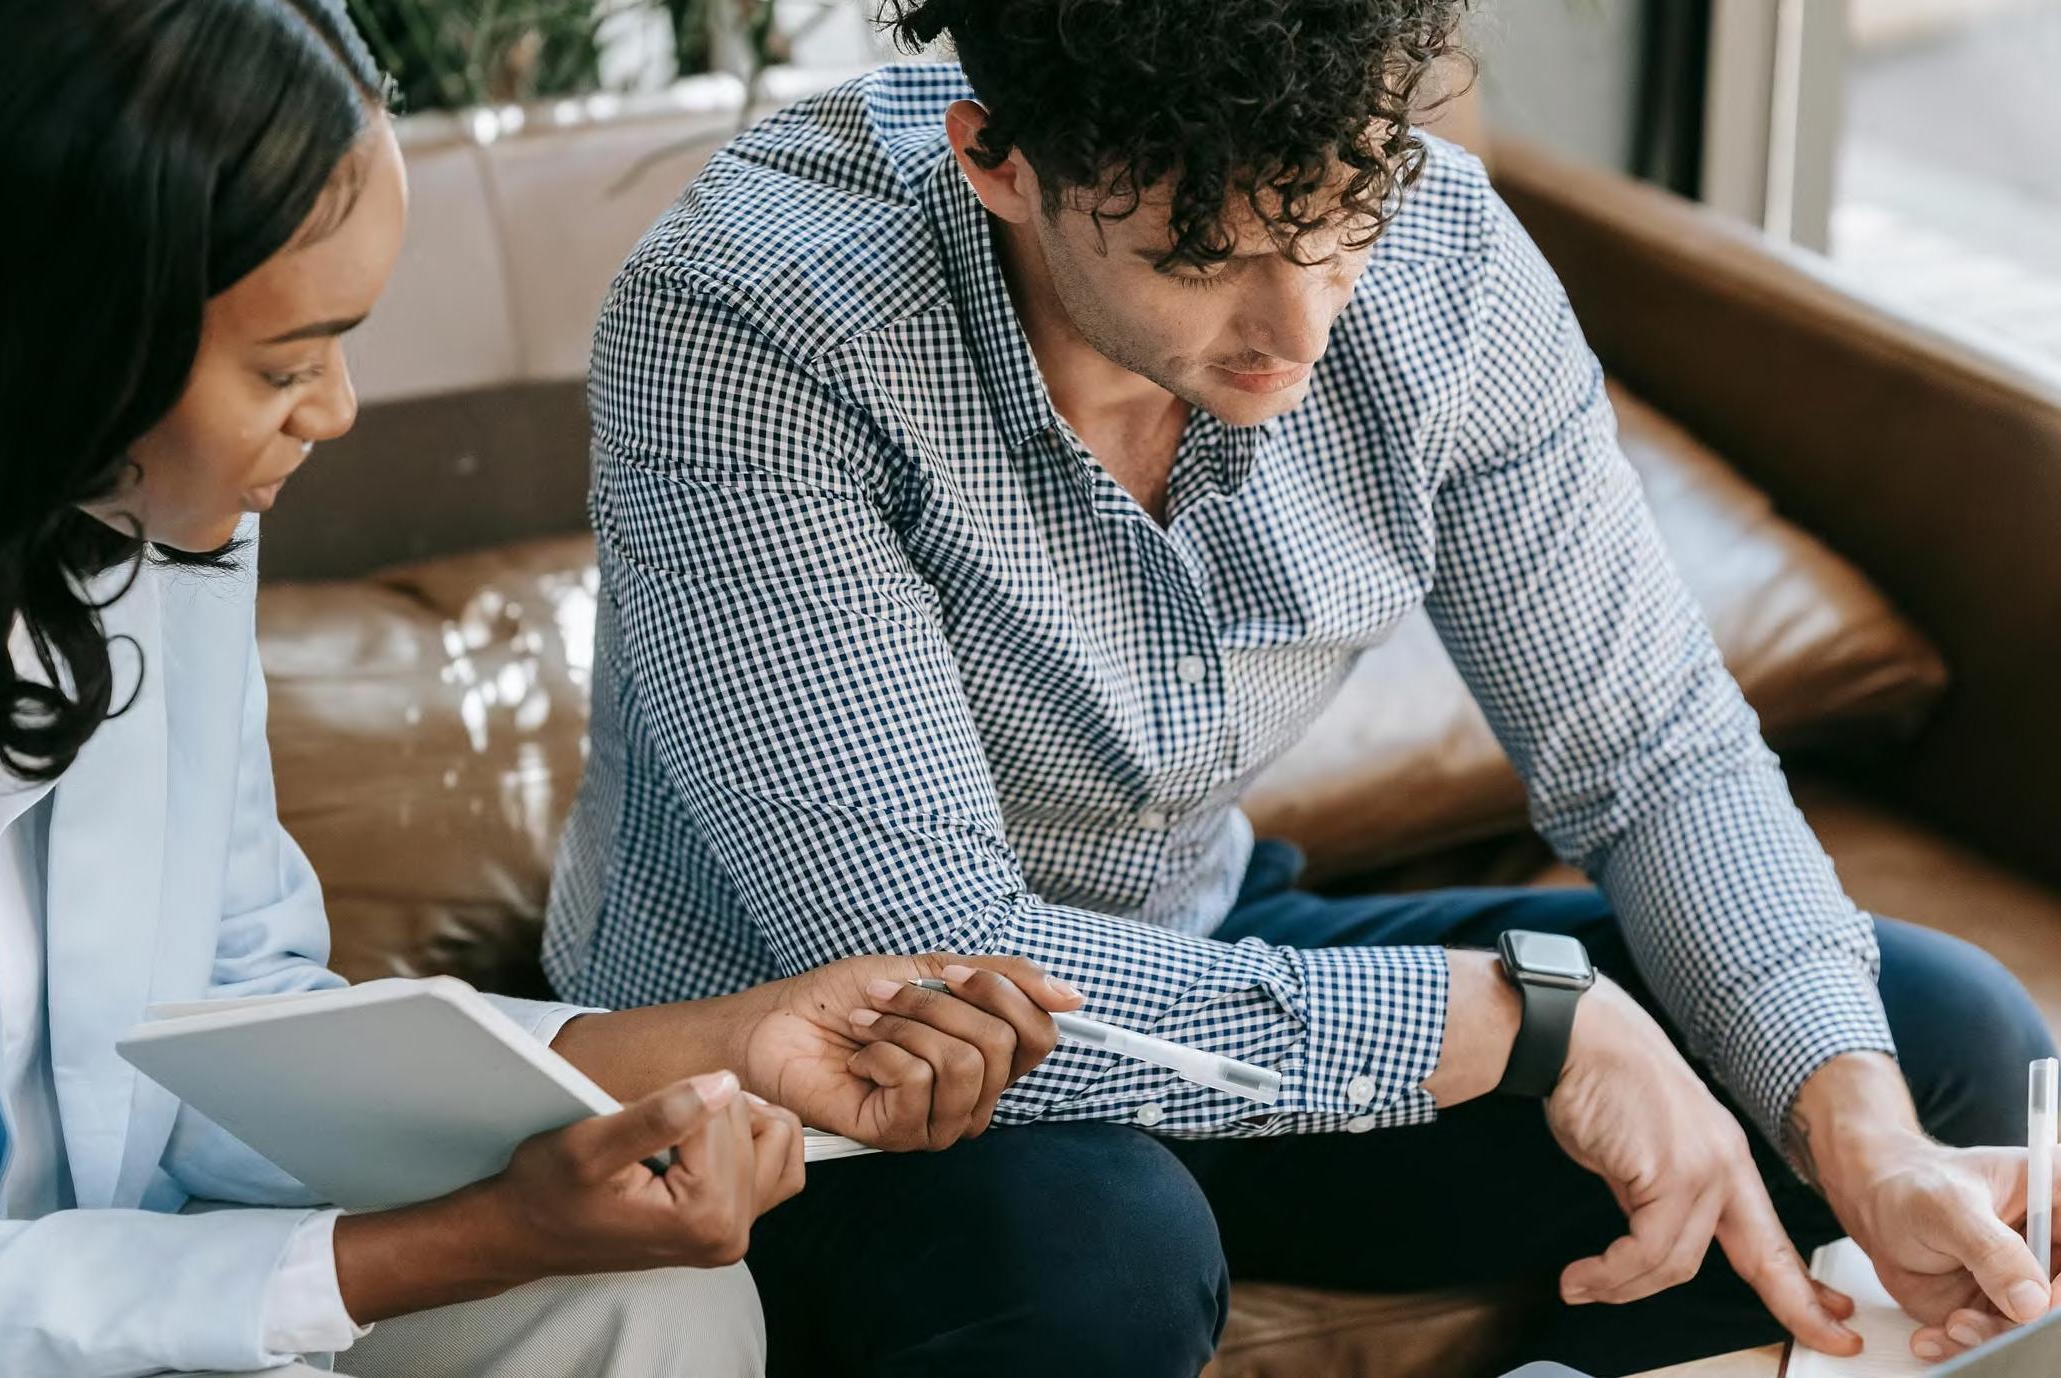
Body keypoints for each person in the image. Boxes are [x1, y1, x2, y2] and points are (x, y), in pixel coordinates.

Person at [544, 2, 2061, 1373]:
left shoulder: (1444, 259)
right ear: (998, 161)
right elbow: (921, 960)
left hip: (1196, 945)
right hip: (830, 1070)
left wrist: (1866, 1136)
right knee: (1100, 1256)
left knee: (1927, 1038)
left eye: (1343, 221)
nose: (1302, 328)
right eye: (1204, 259)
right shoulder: (750, 315)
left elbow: (1656, 754)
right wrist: (1521, 1023)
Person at [0, 3, 1079, 1376]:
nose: (336, 411)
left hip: (105, 1270)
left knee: (643, 1294)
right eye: (285, 364)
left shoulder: (137, 500)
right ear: (59, 336)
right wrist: (477, 1237)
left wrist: (729, 1045)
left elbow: (239, 1037)